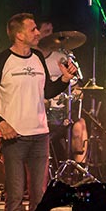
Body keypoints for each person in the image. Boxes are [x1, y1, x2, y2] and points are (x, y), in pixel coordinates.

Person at [0, 13, 77, 211]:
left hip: (40, 135)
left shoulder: (38, 57)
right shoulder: (0, 61)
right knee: (15, 195)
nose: (38, 33)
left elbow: (47, 91)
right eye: (33, 29)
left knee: (39, 196)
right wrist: (1, 124)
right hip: (14, 138)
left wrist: (65, 79)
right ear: (19, 35)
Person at [36, 20, 89, 168]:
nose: (50, 35)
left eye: (51, 31)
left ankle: (79, 171)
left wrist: (77, 92)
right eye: (46, 31)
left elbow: (76, 86)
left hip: (62, 111)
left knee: (80, 126)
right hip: (38, 112)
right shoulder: (32, 58)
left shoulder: (61, 57)